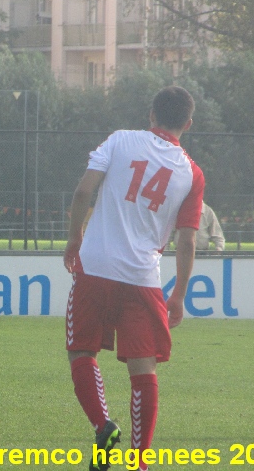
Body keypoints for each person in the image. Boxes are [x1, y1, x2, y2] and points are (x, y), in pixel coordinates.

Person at [63, 86, 204, 471]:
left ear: (151, 114)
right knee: (144, 370)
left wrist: (74, 240)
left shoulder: (120, 140)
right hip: (143, 277)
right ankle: (138, 464)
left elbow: (82, 193)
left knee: (82, 351)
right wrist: (178, 296)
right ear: (187, 124)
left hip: (95, 267)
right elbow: (187, 240)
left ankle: (103, 424)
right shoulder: (191, 173)